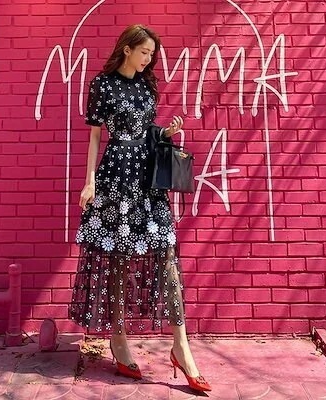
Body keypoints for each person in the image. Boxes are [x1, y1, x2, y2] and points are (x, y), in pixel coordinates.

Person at [69, 24, 211, 393]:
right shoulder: (102, 84)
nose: (149, 59)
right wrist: (89, 181)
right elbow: (96, 136)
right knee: (117, 258)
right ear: (127, 49)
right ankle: (118, 340)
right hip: (115, 176)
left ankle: (181, 347)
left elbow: (144, 131)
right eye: (144, 52)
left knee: (166, 256)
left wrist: (165, 133)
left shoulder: (147, 85)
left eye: (152, 54)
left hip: (148, 179)